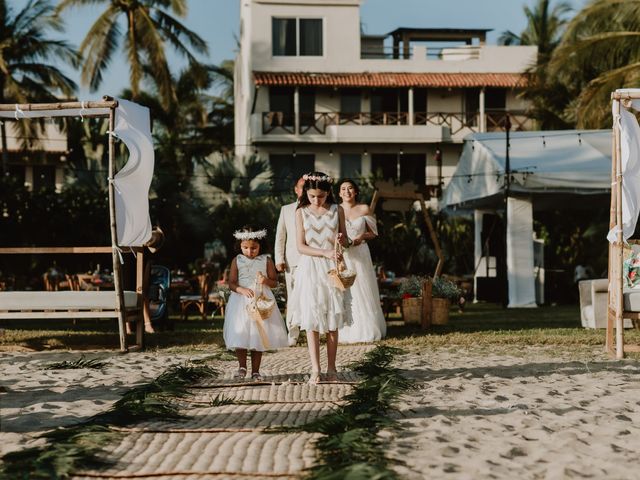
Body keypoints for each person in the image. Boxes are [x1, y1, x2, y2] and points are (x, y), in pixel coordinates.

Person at [288, 172, 352, 384]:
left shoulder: (337, 210)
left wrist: (342, 240)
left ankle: (331, 368)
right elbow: (300, 246)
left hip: (332, 268)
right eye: (313, 196)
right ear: (306, 192)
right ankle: (315, 369)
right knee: (312, 319)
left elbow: (346, 240)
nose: (317, 200)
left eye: (321, 196)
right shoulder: (301, 212)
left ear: (328, 193)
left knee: (332, 319)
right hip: (311, 268)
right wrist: (324, 252)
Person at [223, 226, 289, 381]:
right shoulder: (237, 260)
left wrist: (265, 280)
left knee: (257, 336)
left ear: (260, 246)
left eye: (254, 248)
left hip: (260, 299)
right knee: (241, 333)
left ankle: (256, 371)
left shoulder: (266, 260)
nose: (249, 251)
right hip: (241, 301)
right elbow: (231, 283)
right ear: (239, 246)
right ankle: (241, 367)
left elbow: (274, 282)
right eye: (245, 248)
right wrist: (241, 289)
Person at [336, 179, 387, 343]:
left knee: (363, 288)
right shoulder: (335, 210)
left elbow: (374, 233)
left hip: (361, 253)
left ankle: (367, 328)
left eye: (350, 188)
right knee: (346, 290)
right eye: (343, 189)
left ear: (356, 191)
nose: (347, 192)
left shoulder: (364, 208)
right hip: (344, 254)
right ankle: (346, 330)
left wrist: (362, 236)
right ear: (339, 193)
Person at [274, 177, 305, 345]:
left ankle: (314, 329)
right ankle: (293, 333)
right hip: (292, 260)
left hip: (314, 259)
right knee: (293, 297)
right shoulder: (286, 210)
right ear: (296, 189)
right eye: (302, 187)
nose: (305, 190)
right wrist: (279, 258)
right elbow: (280, 236)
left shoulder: (318, 209)